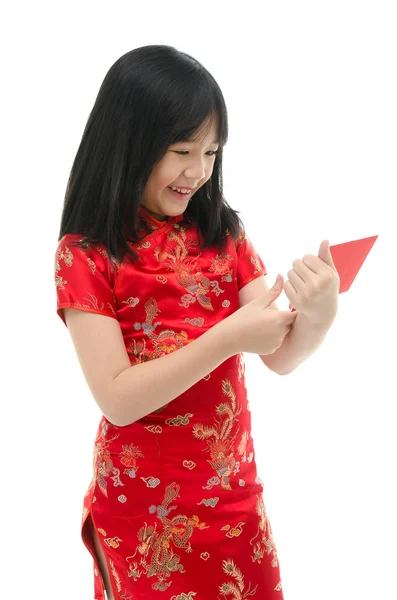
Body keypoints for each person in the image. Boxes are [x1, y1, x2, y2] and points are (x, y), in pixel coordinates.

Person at [54, 45, 326, 600]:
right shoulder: (85, 253)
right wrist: (226, 337)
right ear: (130, 144)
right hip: (143, 515)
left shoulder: (221, 232)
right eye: (182, 150)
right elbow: (117, 398)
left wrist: (319, 313)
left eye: (211, 152)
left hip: (232, 500)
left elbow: (280, 353)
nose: (199, 172)